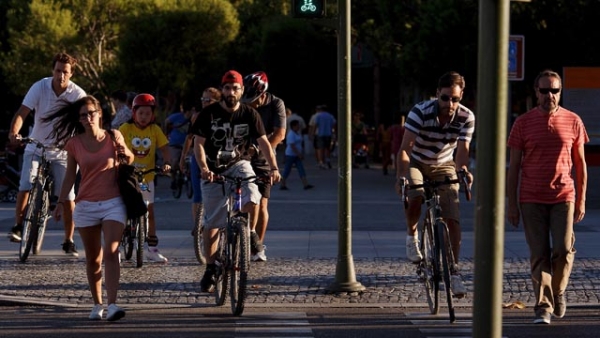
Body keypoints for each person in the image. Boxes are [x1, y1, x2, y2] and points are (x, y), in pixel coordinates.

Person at [507, 69, 588, 325]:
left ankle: (559, 290)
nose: (549, 95)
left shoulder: (574, 120)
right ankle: (543, 306)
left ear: (560, 92)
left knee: (563, 251)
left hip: (564, 195)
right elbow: (514, 167)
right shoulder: (522, 123)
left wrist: (582, 200)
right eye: (544, 90)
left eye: (554, 90)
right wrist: (512, 204)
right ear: (536, 92)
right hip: (531, 197)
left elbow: (581, 164)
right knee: (539, 253)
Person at [191, 70, 281, 292]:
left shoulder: (250, 114)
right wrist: (203, 168)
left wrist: (274, 167)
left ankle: (247, 231)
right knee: (212, 223)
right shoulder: (208, 114)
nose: (231, 92)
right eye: (228, 88)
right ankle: (211, 268)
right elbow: (198, 144)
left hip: (239, 164)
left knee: (253, 195)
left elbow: (264, 143)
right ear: (222, 90)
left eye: (236, 88)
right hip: (213, 169)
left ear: (242, 91)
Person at [46, 95, 131, 321]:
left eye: (91, 113)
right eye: (83, 115)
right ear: (80, 119)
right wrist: (61, 202)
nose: (88, 118)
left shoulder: (114, 136)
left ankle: (112, 304)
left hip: (114, 202)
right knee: (93, 258)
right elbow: (69, 177)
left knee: (112, 251)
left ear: (99, 114)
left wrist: (124, 150)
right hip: (86, 205)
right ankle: (97, 304)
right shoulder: (74, 143)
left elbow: (130, 159)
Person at [395, 71, 474, 298]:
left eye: (455, 99)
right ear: (437, 93)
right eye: (446, 98)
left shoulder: (466, 117)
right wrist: (402, 177)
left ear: (461, 97)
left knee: (453, 216)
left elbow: (463, 150)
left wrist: (462, 171)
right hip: (416, 161)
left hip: (444, 164)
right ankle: (412, 236)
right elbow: (405, 148)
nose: (450, 103)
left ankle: (454, 271)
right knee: (416, 194)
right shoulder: (420, 112)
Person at [7, 52, 85, 256]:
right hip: (36, 145)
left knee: (68, 197)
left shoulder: (78, 95)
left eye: (65, 72)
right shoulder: (40, 86)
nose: (61, 75)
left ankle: (68, 240)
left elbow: (87, 122)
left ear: (71, 73)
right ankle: (18, 226)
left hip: (62, 151)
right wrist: (14, 133)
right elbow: (22, 113)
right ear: (53, 70)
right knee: (25, 184)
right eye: (58, 70)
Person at [118, 93, 171, 263]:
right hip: (128, 175)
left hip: (147, 177)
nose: (144, 117)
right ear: (134, 113)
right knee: (122, 210)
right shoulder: (125, 128)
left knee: (150, 212)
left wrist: (167, 163)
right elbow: (115, 146)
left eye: (148, 114)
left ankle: (152, 248)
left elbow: (164, 149)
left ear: (152, 115)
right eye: (141, 113)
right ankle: (117, 246)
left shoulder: (154, 130)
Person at [241, 71, 286, 262]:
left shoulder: (276, 104)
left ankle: (257, 246)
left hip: (264, 158)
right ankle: (237, 240)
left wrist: (259, 149)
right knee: (239, 199)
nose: (252, 103)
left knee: (261, 202)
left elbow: (279, 134)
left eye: (256, 99)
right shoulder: (241, 104)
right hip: (240, 154)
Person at [179, 87, 221, 234]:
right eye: (203, 100)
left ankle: (217, 224)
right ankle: (198, 226)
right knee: (197, 194)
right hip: (198, 158)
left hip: (218, 159)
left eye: (208, 100)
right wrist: (183, 157)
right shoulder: (197, 116)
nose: (204, 102)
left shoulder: (222, 116)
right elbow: (189, 137)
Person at [164, 99, 192, 190]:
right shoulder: (177, 117)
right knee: (175, 161)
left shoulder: (193, 118)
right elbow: (167, 121)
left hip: (187, 144)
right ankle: (173, 179)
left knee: (190, 160)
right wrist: (167, 132)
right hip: (175, 143)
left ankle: (187, 176)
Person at [280, 120, 313, 190]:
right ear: (293, 126)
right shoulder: (291, 134)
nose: (298, 127)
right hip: (290, 155)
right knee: (287, 169)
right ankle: (282, 184)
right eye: (297, 125)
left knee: (301, 169)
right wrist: (299, 154)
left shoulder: (297, 133)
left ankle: (305, 184)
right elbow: (292, 145)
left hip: (297, 155)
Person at [313, 105, 336, 169]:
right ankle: (328, 159)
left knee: (320, 148)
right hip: (328, 134)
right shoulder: (330, 116)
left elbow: (316, 125)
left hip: (320, 134)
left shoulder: (319, 116)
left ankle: (321, 162)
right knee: (327, 148)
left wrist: (313, 133)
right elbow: (334, 124)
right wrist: (334, 133)